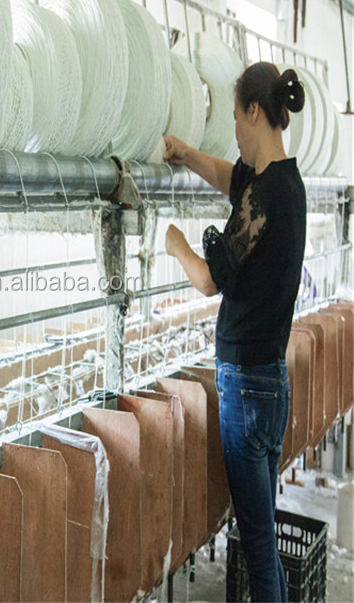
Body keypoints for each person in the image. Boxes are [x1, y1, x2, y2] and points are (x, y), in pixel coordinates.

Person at [163, 62, 306, 603]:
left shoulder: (263, 201)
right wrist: (187, 153)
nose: (235, 135)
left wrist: (175, 243)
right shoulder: (285, 185)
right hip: (270, 385)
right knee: (263, 536)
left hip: (245, 389)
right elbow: (233, 178)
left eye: (236, 120)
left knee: (258, 549)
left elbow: (207, 280)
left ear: (254, 112)